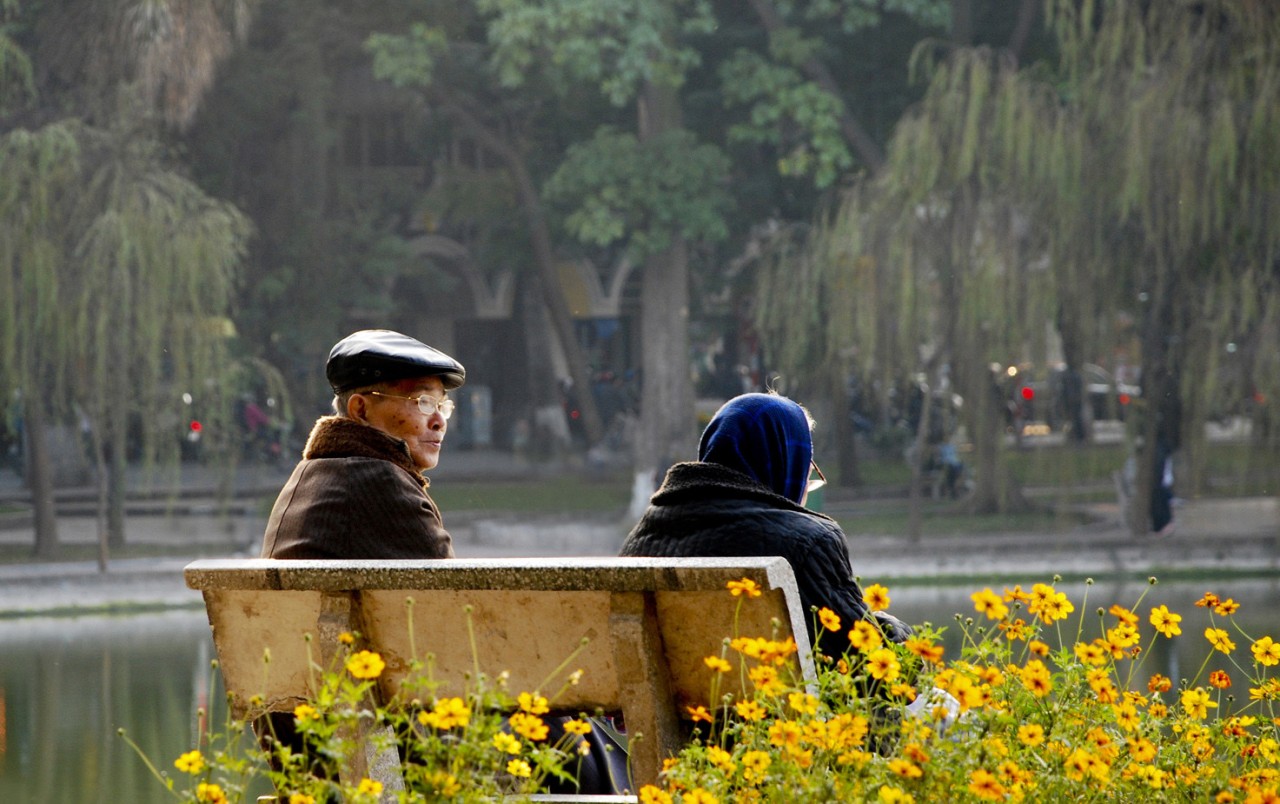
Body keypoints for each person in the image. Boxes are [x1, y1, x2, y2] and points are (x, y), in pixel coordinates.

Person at [619, 392, 912, 663]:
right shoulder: (807, 542)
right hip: (774, 717)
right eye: (807, 470)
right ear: (786, 463)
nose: (807, 486)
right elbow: (868, 667)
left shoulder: (641, 538)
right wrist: (897, 632)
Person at [259, 329, 464, 560]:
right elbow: (456, 593)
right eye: (423, 402)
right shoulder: (380, 481)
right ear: (361, 410)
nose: (439, 422)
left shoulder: (311, 473)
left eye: (442, 406)